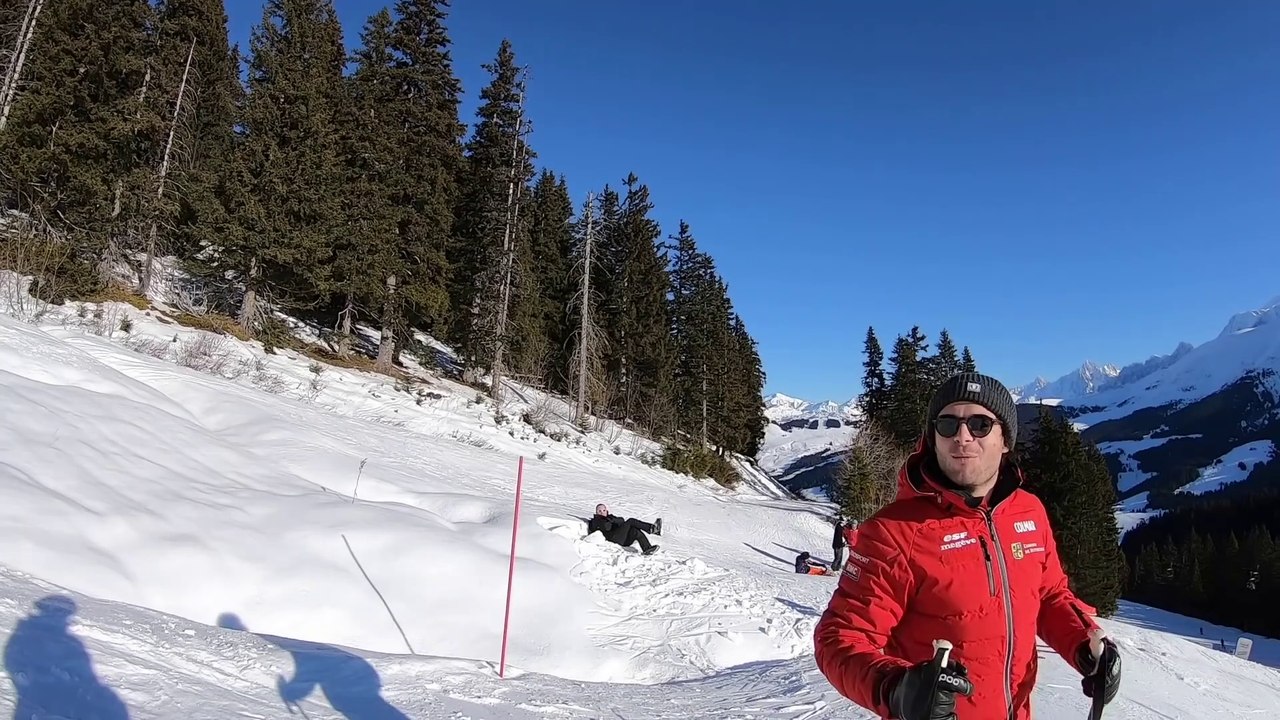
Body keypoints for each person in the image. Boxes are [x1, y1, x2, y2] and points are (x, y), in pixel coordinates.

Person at [813, 372, 1122, 720]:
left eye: (979, 424)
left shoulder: (1029, 511)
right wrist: (897, 689)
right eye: (947, 424)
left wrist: (1084, 646)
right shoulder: (894, 532)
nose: (962, 437)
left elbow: (1049, 595)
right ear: (933, 438)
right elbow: (839, 639)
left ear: (1005, 439)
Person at [587, 503, 661, 555]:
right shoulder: (596, 520)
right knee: (631, 521)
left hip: (623, 540)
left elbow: (621, 520)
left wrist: (612, 520)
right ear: (596, 512)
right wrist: (611, 521)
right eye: (599, 511)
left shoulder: (610, 517)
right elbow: (606, 527)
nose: (602, 512)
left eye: (603, 510)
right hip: (613, 538)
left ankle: (647, 549)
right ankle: (652, 529)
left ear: (606, 511)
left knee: (635, 531)